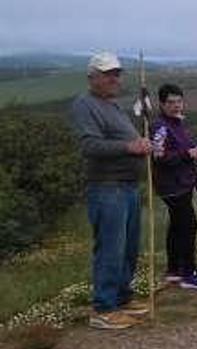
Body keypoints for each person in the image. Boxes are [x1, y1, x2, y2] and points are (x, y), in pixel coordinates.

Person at [71, 52, 152, 330]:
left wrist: (141, 144)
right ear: (92, 77)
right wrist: (129, 147)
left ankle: (121, 298)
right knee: (111, 249)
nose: (114, 79)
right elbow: (89, 146)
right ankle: (103, 308)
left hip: (127, 187)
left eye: (116, 73)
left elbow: (124, 141)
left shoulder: (113, 106)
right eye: (107, 74)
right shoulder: (85, 105)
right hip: (107, 188)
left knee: (129, 248)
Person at [150, 83, 197, 289]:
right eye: (171, 102)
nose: (176, 106)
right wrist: (188, 154)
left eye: (179, 101)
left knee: (177, 226)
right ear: (161, 104)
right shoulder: (160, 127)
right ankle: (188, 273)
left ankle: (174, 270)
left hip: (183, 182)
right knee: (188, 226)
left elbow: (187, 148)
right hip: (172, 185)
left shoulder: (178, 124)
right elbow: (159, 157)